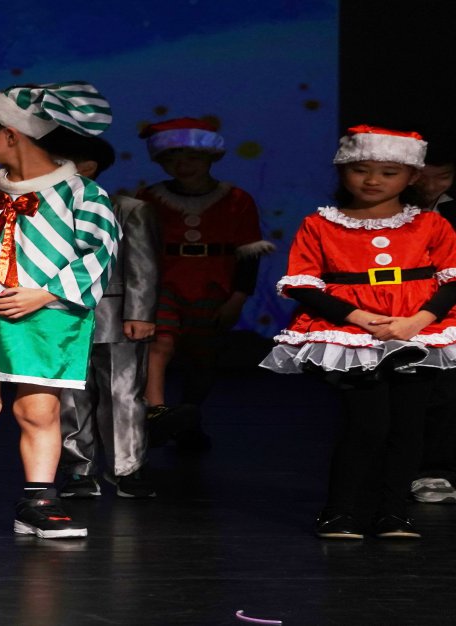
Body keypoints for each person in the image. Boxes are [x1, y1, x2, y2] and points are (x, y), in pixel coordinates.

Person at [261, 126, 456, 540]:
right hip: (353, 333)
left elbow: (451, 278)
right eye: (361, 170)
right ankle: (339, 511)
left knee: (408, 427)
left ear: (411, 177)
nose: (372, 181)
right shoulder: (320, 224)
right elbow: (302, 283)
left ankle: (393, 513)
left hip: (417, 331)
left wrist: (416, 322)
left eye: (388, 172)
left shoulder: (430, 224)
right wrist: (360, 318)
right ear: (343, 171)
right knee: (367, 424)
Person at [0, 81, 120, 540]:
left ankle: (39, 500)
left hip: (46, 318)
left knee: (38, 410)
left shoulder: (82, 193)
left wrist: (45, 293)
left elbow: (101, 251)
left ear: (10, 135)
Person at [136, 118, 273, 448]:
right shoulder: (150, 197)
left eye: (192, 157)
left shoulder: (237, 199)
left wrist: (238, 297)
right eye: (172, 158)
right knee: (159, 343)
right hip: (164, 281)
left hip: (213, 285)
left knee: (203, 358)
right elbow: (138, 248)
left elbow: (249, 253)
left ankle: (189, 418)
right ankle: (156, 413)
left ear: (211, 157)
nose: (182, 165)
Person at [53, 135, 161, 499]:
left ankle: (126, 468)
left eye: (60, 160)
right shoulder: (44, 208)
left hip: (116, 314)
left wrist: (140, 313)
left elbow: (143, 265)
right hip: (61, 315)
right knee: (69, 397)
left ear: (87, 167)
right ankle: (78, 470)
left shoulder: (128, 208)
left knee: (123, 392)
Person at [411, 134, 456, 503]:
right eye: (423, 176)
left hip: (447, 313)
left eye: (442, 177)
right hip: (396, 312)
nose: (431, 186)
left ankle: (435, 470)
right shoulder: (384, 209)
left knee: (445, 392)